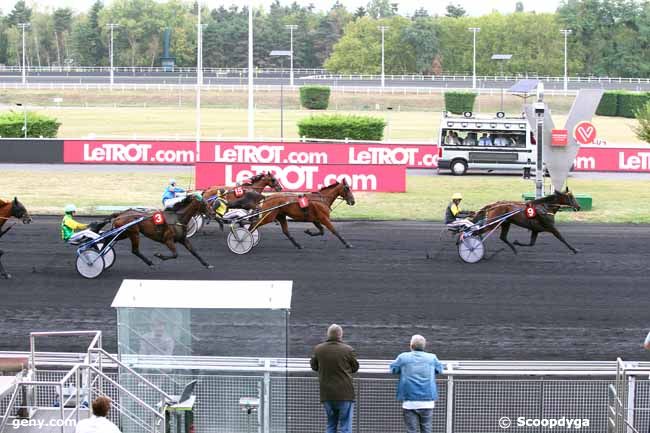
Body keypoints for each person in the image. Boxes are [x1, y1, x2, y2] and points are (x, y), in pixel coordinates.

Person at [390, 335, 445, 433]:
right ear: (424, 346)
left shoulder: (403, 357)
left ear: (411, 345)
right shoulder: (432, 357)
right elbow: (439, 370)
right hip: (427, 401)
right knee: (427, 429)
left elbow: (393, 369)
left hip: (409, 401)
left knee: (411, 430)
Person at [310, 324, 359, 433]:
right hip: (345, 394)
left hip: (327, 394)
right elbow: (355, 368)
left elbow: (314, 366)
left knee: (331, 425)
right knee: (345, 427)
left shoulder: (319, 349)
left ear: (328, 334)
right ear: (341, 335)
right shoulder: (348, 350)